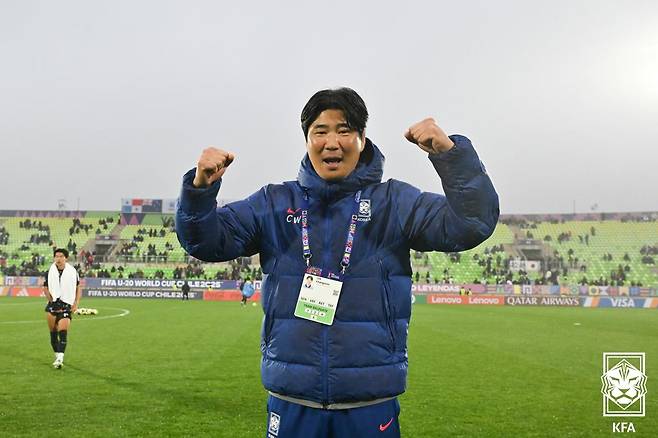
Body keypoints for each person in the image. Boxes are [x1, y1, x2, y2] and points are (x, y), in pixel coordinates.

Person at [176, 87, 499, 437]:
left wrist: (452, 157)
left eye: (344, 130)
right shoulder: (273, 203)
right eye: (320, 131)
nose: (332, 142)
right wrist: (200, 191)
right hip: (292, 398)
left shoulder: (395, 202)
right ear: (307, 140)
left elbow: (471, 224)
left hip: (369, 401)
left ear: (362, 138)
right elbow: (204, 241)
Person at [43, 248, 81, 369]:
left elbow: (78, 287)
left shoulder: (73, 272)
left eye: (61, 256)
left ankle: (60, 358)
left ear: (66, 258)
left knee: (63, 332)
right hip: (53, 305)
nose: (58, 259)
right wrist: (50, 300)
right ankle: (57, 356)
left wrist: (76, 303)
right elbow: (45, 287)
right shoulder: (49, 271)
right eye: (56, 256)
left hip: (66, 305)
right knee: (53, 334)